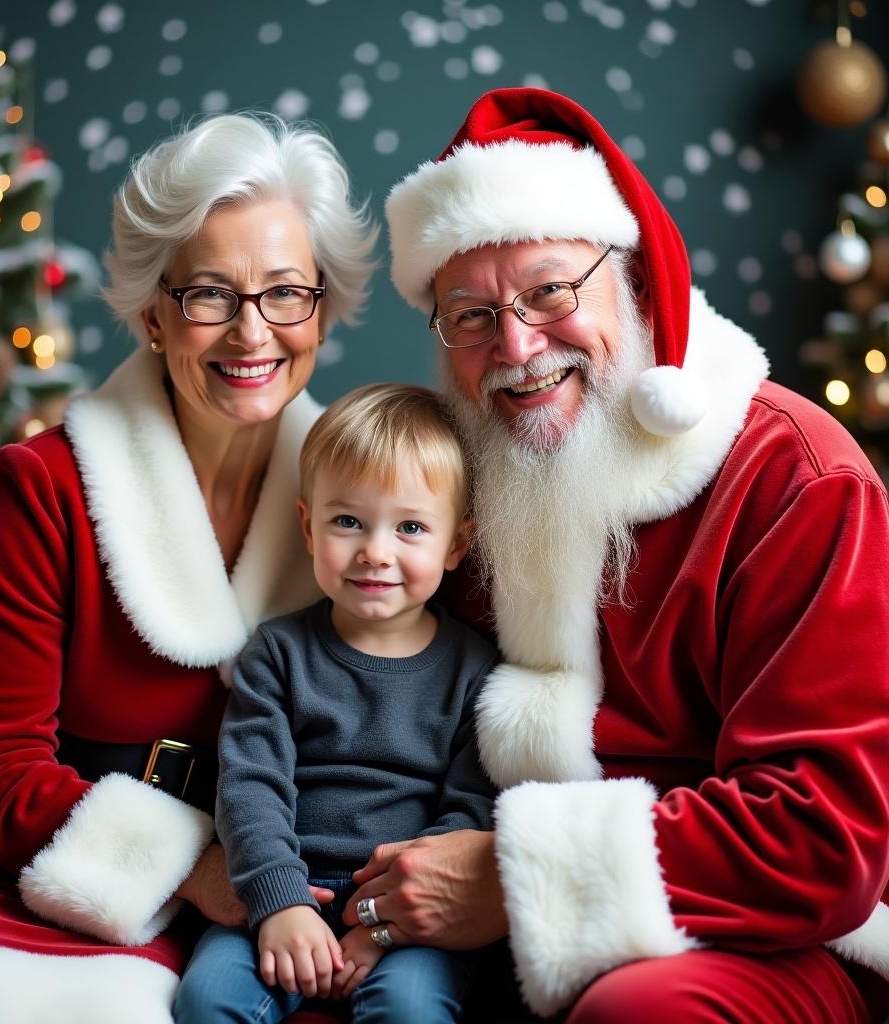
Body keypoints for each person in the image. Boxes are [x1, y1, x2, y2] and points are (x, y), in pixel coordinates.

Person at [337, 87, 889, 1022]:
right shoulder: (451, 486)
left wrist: (515, 877)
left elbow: (820, 837)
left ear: (629, 278)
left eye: (550, 291)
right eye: (468, 315)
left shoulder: (793, 478)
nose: (515, 344)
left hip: (767, 935)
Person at [0, 112, 376, 1023]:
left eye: (286, 293)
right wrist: (192, 865)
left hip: (248, 883)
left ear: (324, 308)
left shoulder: (371, 506)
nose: (252, 332)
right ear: (152, 311)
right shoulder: (41, 486)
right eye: (210, 294)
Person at [173, 383, 499, 1024]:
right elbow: (250, 787)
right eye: (347, 521)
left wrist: (383, 927)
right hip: (281, 891)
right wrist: (279, 904)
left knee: (409, 1008)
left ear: (456, 545)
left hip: (408, 912)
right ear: (307, 524)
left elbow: (471, 812)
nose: (376, 550)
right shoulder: (277, 653)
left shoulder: (475, 670)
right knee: (207, 998)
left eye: (410, 527)